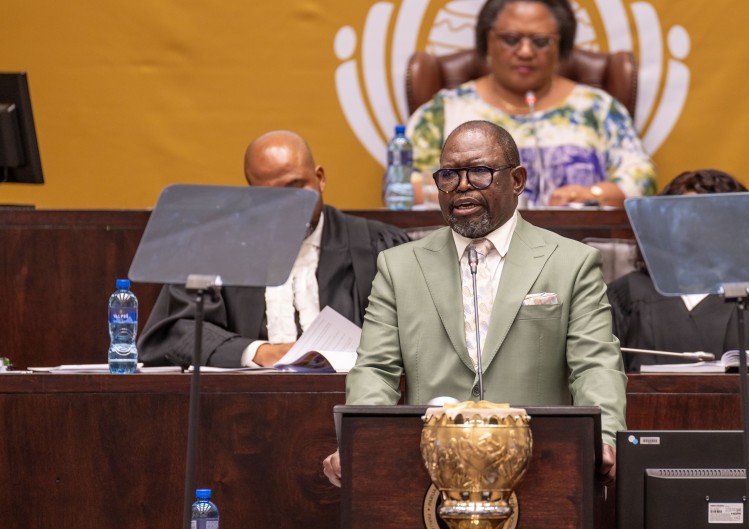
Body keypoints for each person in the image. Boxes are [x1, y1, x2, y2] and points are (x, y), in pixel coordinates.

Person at [323, 120, 627, 486]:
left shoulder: (571, 263)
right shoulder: (398, 267)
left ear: (517, 180)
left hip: (541, 466)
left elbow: (594, 364)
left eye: (480, 172)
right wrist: (359, 441)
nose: (462, 186)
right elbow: (376, 369)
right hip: (428, 470)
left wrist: (605, 437)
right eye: (449, 175)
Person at [138, 130, 410, 367]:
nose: (289, 205)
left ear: (320, 178)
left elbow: (419, 331)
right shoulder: (217, 248)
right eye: (271, 195)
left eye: (296, 186)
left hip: (354, 400)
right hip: (247, 403)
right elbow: (175, 332)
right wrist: (258, 352)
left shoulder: (379, 246)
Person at [406, 0, 655, 208]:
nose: (525, 52)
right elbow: (403, 187)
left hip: (574, 242)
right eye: (511, 39)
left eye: (540, 41)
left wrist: (592, 194)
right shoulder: (445, 110)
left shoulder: (598, 109)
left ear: (561, 45)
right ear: (487, 40)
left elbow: (642, 179)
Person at [607, 169, 749, 371]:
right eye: (685, 215)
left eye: (708, 216)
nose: (695, 226)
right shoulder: (626, 295)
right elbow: (602, 374)